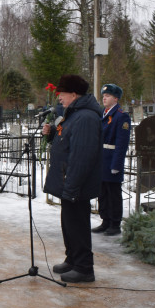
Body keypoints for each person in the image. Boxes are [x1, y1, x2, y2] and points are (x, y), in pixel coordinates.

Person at [42, 74, 102, 283]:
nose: (59, 97)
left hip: (77, 183)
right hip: (68, 180)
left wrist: (72, 185)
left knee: (77, 224)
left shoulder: (85, 118)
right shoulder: (73, 114)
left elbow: (82, 156)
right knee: (68, 223)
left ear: (74, 94)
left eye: (62, 94)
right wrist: (50, 135)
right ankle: (72, 259)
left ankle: (84, 268)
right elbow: (64, 139)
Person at [93, 84, 131, 236]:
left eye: (107, 96)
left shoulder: (121, 116)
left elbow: (122, 144)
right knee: (102, 192)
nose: (104, 98)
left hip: (112, 159)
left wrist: (117, 164)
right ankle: (105, 220)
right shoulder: (104, 114)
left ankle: (115, 223)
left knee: (113, 193)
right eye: (103, 96)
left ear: (116, 98)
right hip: (102, 159)